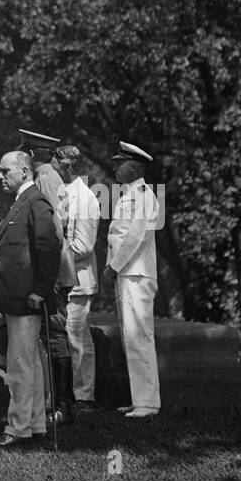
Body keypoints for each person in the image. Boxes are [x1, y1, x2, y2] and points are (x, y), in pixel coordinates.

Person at [0, 151, 62, 448]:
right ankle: (34, 424)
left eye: (6, 171)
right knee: (30, 363)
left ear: (25, 172)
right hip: (18, 297)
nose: (0, 176)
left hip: (27, 299)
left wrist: (42, 289)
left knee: (20, 365)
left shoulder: (36, 203)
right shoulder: (22, 202)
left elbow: (50, 247)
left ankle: (17, 428)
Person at [20, 127, 76, 425]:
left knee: (54, 335)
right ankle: (61, 402)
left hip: (51, 269)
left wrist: (45, 274)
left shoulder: (43, 177)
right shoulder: (50, 177)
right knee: (52, 334)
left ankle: (62, 405)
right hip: (54, 267)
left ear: (30, 155)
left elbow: (51, 230)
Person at [103, 141, 163, 418]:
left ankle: (148, 403)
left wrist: (113, 267)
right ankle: (140, 399)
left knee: (139, 336)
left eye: (120, 163)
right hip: (128, 273)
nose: (115, 167)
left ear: (133, 166)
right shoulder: (129, 194)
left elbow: (134, 237)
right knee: (131, 337)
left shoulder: (144, 195)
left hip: (135, 273)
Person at [52, 144, 101, 410]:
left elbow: (83, 245)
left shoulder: (85, 199)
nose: (51, 168)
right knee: (64, 337)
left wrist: (51, 252)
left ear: (68, 166)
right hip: (62, 280)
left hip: (78, 280)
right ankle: (65, 393)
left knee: (77, 338)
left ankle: (84, 395)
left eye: (55, 163)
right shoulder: (62, 192)